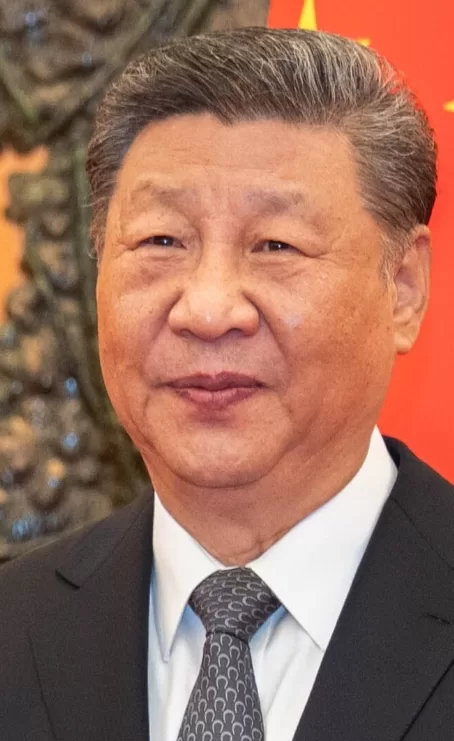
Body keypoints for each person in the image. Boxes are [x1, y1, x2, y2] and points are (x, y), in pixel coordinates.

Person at [1, 26, 453, 741]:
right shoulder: (16, 625)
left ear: (402, 288)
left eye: (276, 245)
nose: (208, 310)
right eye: (161, 241)